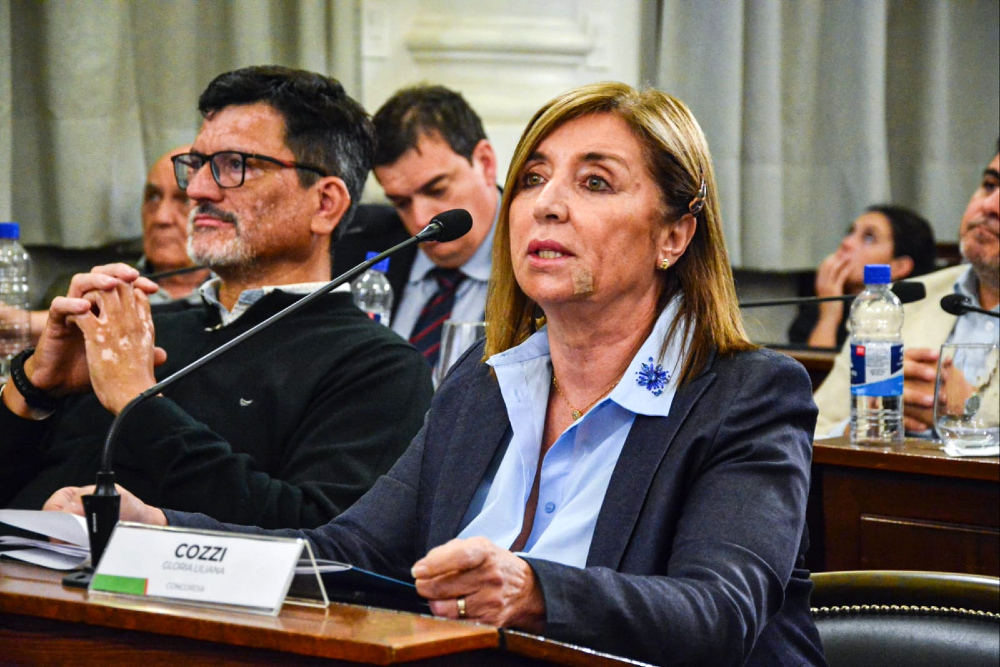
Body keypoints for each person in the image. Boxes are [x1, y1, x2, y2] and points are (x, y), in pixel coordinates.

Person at [45, 83, 827, 666]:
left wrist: (537, 591)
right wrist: (163, 533)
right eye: (532, 179)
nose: (546, 206)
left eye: (594, 182)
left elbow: (720, 611)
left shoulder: (747, 394)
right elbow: (345, 553)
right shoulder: (481, 389)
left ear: (674, 235)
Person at [1, 65, 433, 529]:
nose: (200, 190)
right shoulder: (148, 333)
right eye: (198, 165)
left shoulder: (378, 367)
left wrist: (136, 399)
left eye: (234, 166)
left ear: (325, 203)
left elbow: (319, 539)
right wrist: (33, 390)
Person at [813, 143, 1000, 437]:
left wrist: (974, 415)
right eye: (989, 185)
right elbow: (809, 432)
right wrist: (865, 423)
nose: (990, 206)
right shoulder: (897, 301)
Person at [333, 85, 500, 367]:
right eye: (401, 203)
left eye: (437, 190)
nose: (421, 220)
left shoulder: (542, 253)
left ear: (485, 163)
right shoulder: (353, 248)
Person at [18, 146, 211, 347]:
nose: (161, 217)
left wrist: (29, 325)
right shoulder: (83, 291)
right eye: (153, 197)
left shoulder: (232, 294)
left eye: (183, 199)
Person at [788, 205, 936, 348]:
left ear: (899, 267)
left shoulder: (912, 321)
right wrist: (829, 316)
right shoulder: (821, 307)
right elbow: (813, 371)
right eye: (850, 232)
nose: (846, 243)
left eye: (869, 238)